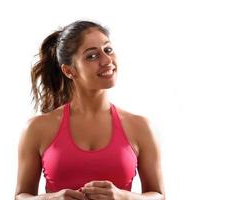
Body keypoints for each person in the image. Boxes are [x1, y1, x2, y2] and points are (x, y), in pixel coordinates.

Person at [15, 20, 165, 200]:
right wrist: (50, 199)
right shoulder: (37, 128)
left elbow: (159, 196)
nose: (107, 60)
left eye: (108, 50)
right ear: (69, 70)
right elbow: (21, 196)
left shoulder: (140, 126)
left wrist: (123, 197)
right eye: (92, 56)